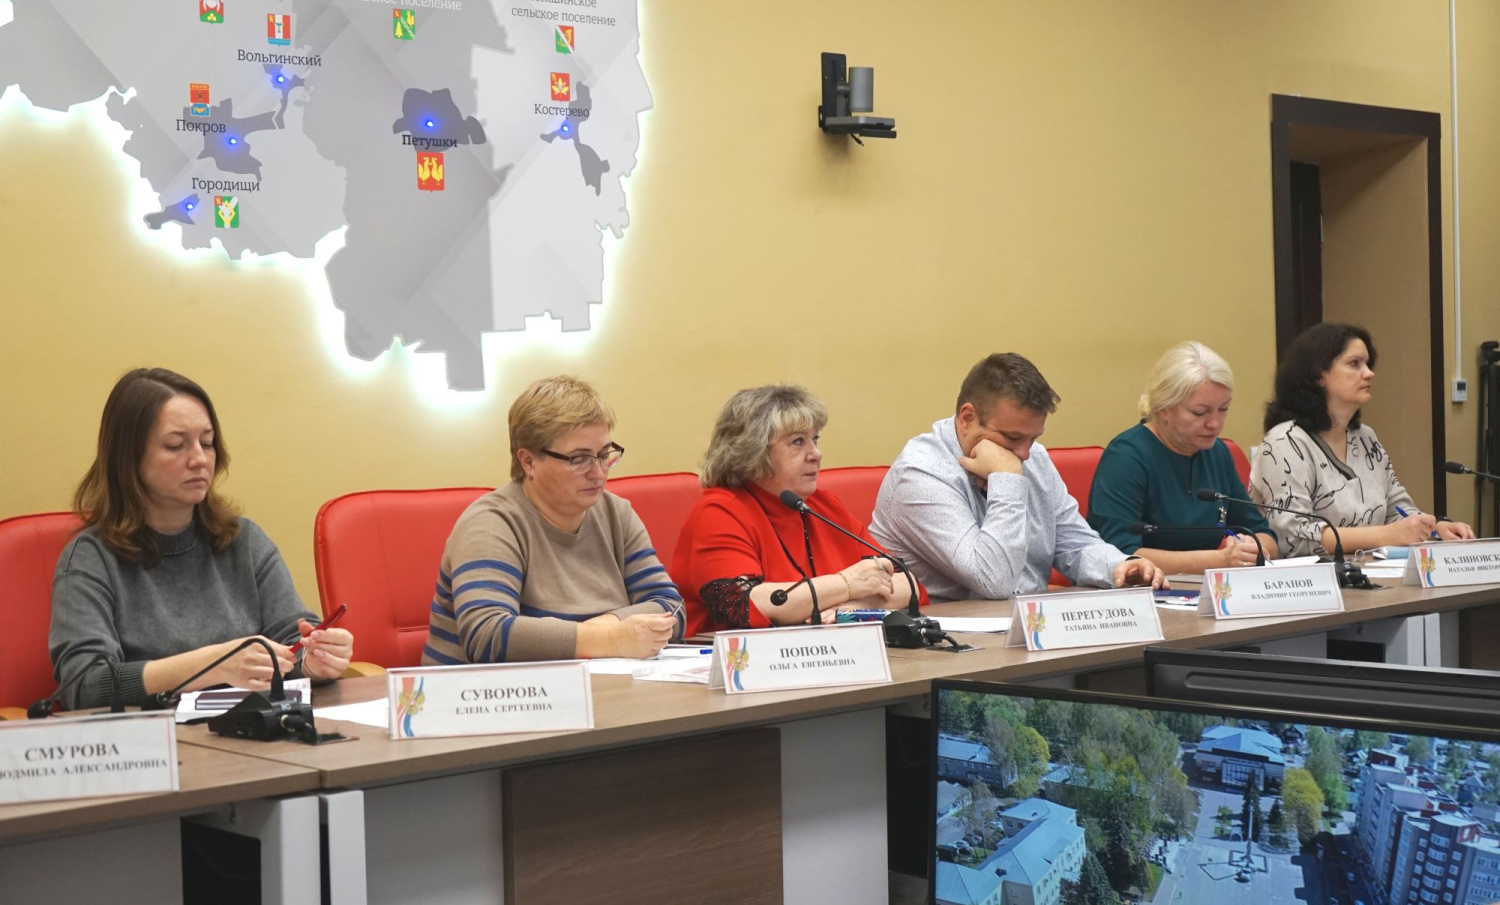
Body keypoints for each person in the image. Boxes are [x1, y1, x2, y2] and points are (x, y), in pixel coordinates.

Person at [49, 368, 354, 710]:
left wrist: (314, 661)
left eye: (207, 443)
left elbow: (292, 641)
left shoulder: (244, 541)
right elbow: (85, 684)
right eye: (175, 445)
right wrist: (214, 664)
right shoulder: (90, 558)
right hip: (154, 739)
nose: (199, 459)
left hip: (252, 732)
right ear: (128, 458)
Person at [423, 376, 683, 664]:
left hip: (600, 685)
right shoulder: (491, 523)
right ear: (528, 461)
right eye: (579, 459)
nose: (598, 473)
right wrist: (611, 639)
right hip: (492, 691)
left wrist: (604, 628)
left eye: (603, 455)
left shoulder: (616, 514)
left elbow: (671, 607)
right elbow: (488, 636)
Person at [870, 353, 1166, 601]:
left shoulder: (1033, 456)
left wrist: (1120, 566)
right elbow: (994, 581)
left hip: (1029, 625)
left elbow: (1074, 542)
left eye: (1033, 438)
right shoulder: (920, 474)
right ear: (967, 418)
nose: (1024, 453)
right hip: (947, 640)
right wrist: (1007, 478)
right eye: (1012, 438)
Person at [674, 385, 928, 637]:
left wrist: (857, 606)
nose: (816, 454)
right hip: (738, 659)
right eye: (798, 442)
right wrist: (847, 584)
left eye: (815, 439)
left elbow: (907, 583)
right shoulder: (720, 512)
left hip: (828, 652)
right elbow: (742, 604)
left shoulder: (823, 506)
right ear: (752, 451)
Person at [1251, 322, 1474, 557]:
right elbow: (1292, 537)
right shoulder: (1285, 441)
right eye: (1354, 364)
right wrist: (1387, 535)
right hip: (1313, 578)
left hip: (1374, 572)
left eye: (1367, 364)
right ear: (1318, 376)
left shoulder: (1366, 438)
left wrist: (1434, 530)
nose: (1369, 373)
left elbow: (1399, 512)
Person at [1087, 341, 1279, 573]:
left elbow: (1264, 534)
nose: (1215, 423)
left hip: (1201, 588)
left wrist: (1252, 547)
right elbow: (1121, 554)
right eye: (1200, 412)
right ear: (1163, 409)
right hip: (1137, 589)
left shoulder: (1217, 452)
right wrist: (1218, 560)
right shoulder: (1126, 457)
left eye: (1223, 409)